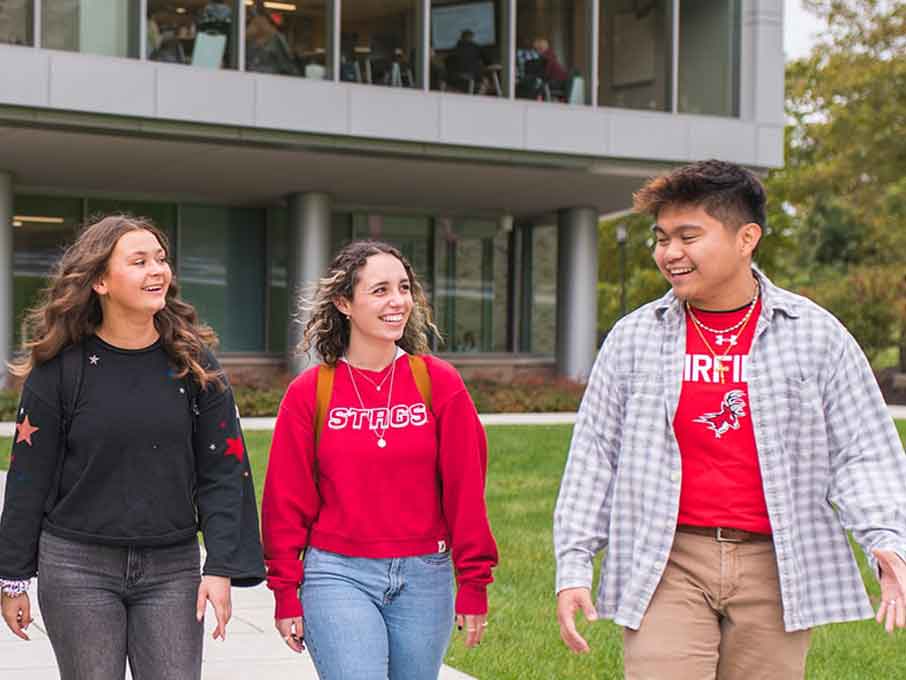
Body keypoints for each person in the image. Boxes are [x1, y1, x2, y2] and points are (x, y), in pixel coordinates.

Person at [553, 160, 906, 679]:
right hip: (667, 559)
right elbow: (594, 456)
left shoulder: (815, 336)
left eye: (688, 236)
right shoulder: (634, 338)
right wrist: (574, 564)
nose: (669, 253)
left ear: (746, 238)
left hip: (775, 566)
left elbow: (863, 450)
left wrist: (886, 542)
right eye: (662, 237)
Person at [0, 215, 265, 680]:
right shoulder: (60, 368)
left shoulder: (194, 363)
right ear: (100, 280)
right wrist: (12, 577)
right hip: (76, 568)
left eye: (160, 259)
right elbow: (28, 477)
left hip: (173, 569)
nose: (157, 270)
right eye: (139, 261)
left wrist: (221, 566)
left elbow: (224, 470)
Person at [262, 239, 498, 679]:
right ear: (343, 303)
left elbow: (467, 490)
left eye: (404, 287)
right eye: (380, 290)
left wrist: (473, 583)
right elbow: (284, 501)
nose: (398, 301)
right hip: (336, 573)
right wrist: (285, 591)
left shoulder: (438, 383)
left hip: (425, 575)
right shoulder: (311, 392)